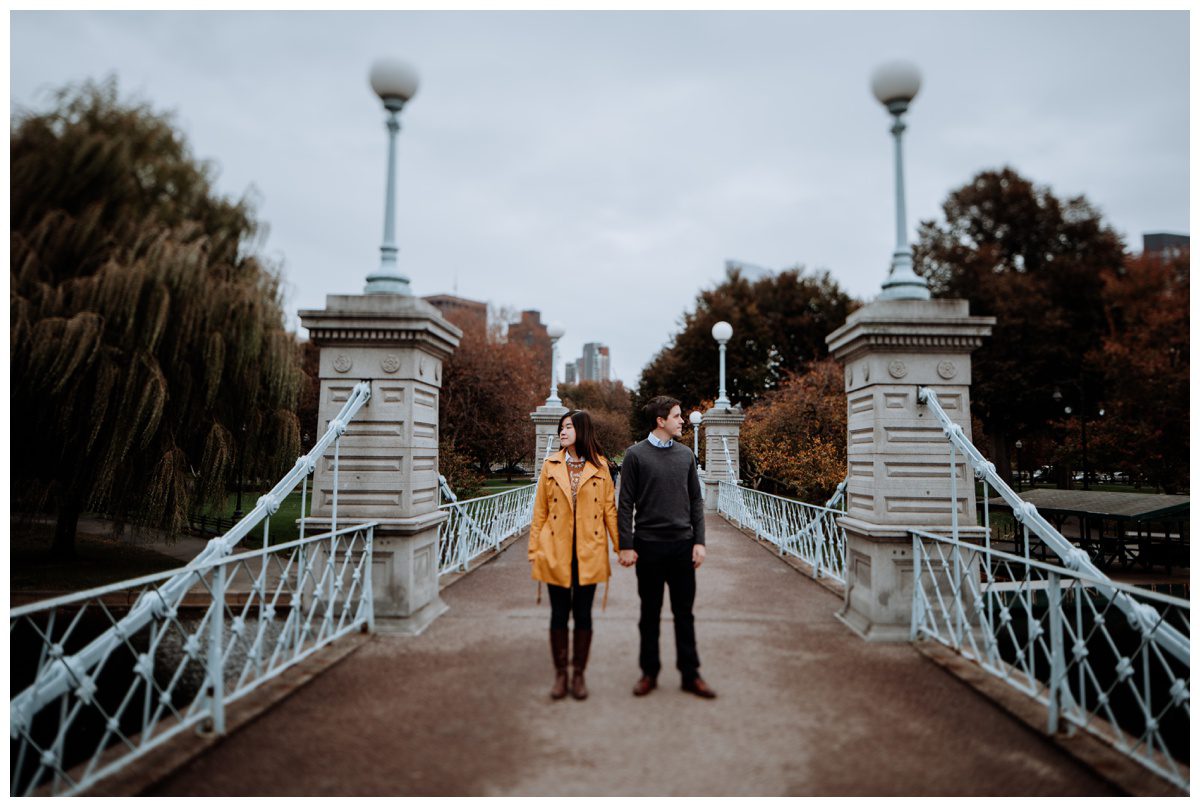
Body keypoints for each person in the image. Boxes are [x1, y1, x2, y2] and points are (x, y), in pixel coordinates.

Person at [617, 395, 716, 699]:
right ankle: (649, 673)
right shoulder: (635, 455)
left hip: (682, 546)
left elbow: (696, 501)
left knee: (684, 614)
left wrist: (699, 541)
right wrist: (626, 544)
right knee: (650, 613)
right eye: (676, 416)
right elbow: (625, 504)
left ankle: (690, 674)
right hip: (648, 546)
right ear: (660, 421)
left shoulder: (686, 455)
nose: (682, 420)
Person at [529, 409, 619, 700]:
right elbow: (540, 512)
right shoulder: (550, 465)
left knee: (582, 615)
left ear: (582, 429)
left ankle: (578, 673)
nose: (562, 432)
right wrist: (534, 549)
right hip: (555, 550)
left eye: (568, 427)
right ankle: (560, 675)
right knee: (558, 614)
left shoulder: (601, 467)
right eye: (560, 428)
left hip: (588, 551)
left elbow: (609, 511)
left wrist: (622, 547)